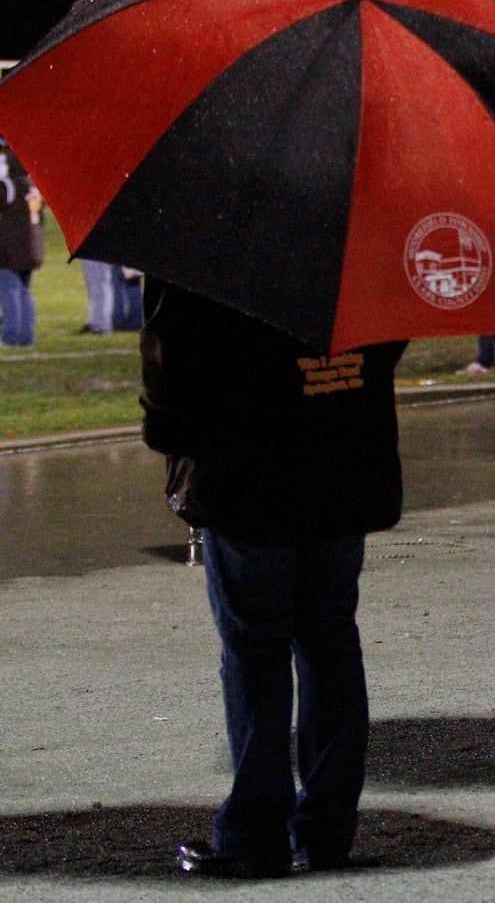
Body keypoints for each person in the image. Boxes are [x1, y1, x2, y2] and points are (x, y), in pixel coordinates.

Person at [139, 277, 405, 877]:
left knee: (256, 647)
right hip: (343, 457)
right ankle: (329, 827)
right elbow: (389, 335)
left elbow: (169, 360)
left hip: (246, 470)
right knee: (330, 638)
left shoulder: (200, 240)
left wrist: (176, 437)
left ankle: (255, 833)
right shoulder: (356, 234)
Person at [0, 139, 43, 347]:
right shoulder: (31, 185)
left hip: (10, 249)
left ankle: (11, 336)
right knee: (24, 291)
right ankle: (26, 337)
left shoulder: (8, 185)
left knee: (10, 291)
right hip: (32, 247)